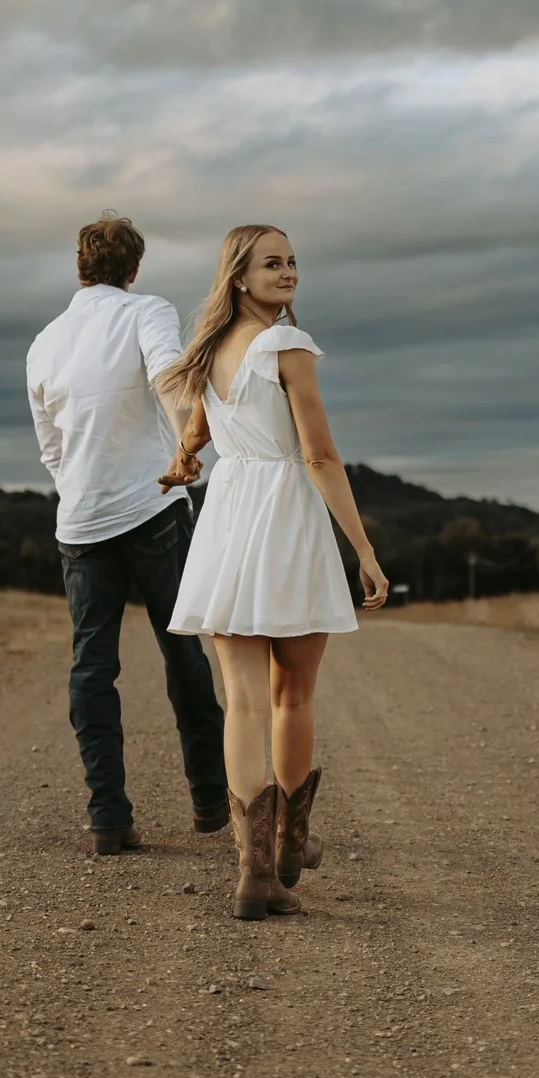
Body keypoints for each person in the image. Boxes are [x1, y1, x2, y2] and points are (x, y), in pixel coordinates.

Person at [158, 224, 390, 920]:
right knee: (291, 697)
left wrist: (183, 462)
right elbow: (320, 455)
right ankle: (288, 845)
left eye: (292, 261)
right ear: (239, 275)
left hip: (229, 516)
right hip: (285, 513)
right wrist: (365, 551)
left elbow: (197, 429)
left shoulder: (211, 350)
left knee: (245, 701)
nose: (288, 272)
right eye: (272, 263)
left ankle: (255, 874)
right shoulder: (285, 345)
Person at [26, 213, 230, 855]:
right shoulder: (148, 310)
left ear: (80, 267)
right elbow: (173, 379)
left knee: (92, 666)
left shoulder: (43, 342)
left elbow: (51, 449)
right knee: (184, 653)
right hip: (153, 505)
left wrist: (83, 488)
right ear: (135, 268)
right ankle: (212, 803)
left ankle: (108, 818)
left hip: (80, 521)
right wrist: (187, 453)